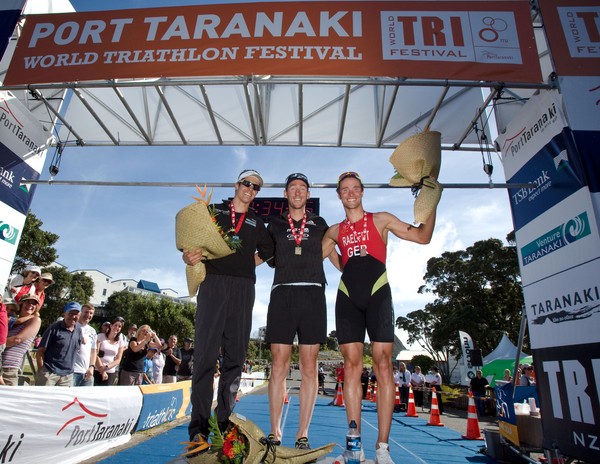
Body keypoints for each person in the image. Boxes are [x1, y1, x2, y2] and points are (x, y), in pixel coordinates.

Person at [322, 171, 438, 464]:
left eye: (355, 188)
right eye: (344, 189)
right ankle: (354, 444)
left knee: (384, 364)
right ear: (339, 195)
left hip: (377, 293)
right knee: (351, 367)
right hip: (347, 296)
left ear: (362, 192)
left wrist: (431, 201)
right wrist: (341, 265)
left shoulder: (381, 219)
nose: (350, 193)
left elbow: (423, 237)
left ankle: (383, 448)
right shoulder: (334, 231)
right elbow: (311, 258)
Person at [182, 168, 274, 456]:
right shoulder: (213, 211)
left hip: (244, 288)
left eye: (256, 186)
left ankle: (223, 425)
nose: (250, 188)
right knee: (205, 357)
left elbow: (270, 252)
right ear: (237, 185)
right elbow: (190, 242)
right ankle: (198, 431)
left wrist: (249, 264)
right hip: (213, 285)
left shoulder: (259, 222)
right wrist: (188, 254)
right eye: (247, 183)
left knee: (235, 358)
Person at [264, 172, 333, 450]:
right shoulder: (275, 224)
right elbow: (262, 254)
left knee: (309, 366)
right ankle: (275, 431)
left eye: (302, 188)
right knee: (278, 364)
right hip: (282, 292)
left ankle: (303, 433)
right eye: (292, 187)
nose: (297, 192)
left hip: (313, 293)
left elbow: (335, 247)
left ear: (307, 194)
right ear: (285, 194)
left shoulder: (319, 223)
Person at [35, 302, 84, 386]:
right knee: (42, 398)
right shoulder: (53, 328)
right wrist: (42, 371)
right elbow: (40, 351)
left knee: (62, 399)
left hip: (67, 376)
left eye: (76, 314)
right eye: (70, 313)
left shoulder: (79, 330)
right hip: (50, 373)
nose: (73, 316)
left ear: (79, 315)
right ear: (65, 314)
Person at [1, 294, 41, 386]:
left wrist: (1, 343)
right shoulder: (11, 320)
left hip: (8, 370)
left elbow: (17, 339)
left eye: (34, 304)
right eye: (27, 302)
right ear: (21, 304)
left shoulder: (35, 320)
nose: (30, 305)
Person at [94, 316, 127, 386]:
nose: (117, 328)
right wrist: (102, 370)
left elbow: (118, 359)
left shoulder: (120, 341)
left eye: (119, 326)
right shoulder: (100, 336)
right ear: (111, 326)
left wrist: (106, 367)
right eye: (115, 325)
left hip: (110, 371)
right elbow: (95, 354)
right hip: (97, 370)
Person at [72, 303, 98, 386]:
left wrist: (92, 367)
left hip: (87, 372)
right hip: (72, 371)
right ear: (80, 312)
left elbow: (93, 351)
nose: (88, 315)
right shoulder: (72, 326)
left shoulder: (92, 331)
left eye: (91, 313)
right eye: (86, 312)